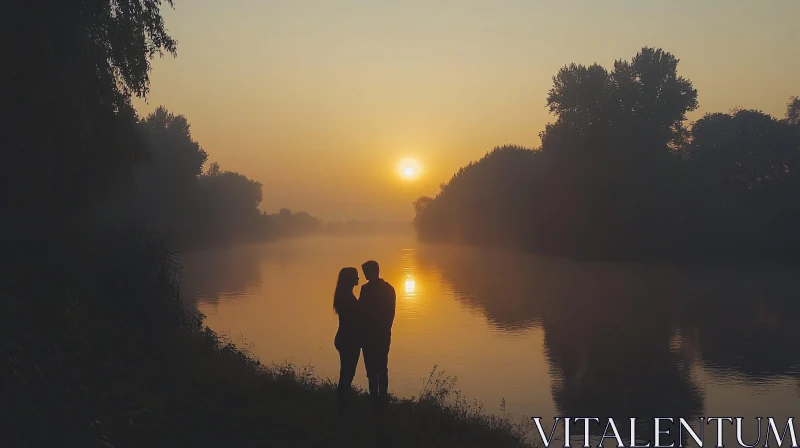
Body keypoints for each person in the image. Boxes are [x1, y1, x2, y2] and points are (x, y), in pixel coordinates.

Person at [358, 260, 396, 410]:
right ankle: (382, 398)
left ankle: (375, 398)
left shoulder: (366, 290)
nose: (364, 275)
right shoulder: (389, 289)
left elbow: (361, 312)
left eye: (366, 272)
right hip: (383, 334)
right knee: (381, 367)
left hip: (370, 335)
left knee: (372, 369)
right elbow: (391, 314)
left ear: (373, 271)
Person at [332, 267, 361, 414]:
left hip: (343, 338)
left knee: (346, 372)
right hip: (348, 340)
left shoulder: (344, 295)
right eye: (356, 276)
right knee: (348, 373)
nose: (358, 278)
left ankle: (343, 403)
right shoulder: (347, 298)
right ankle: (343, 405)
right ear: (350, 279)